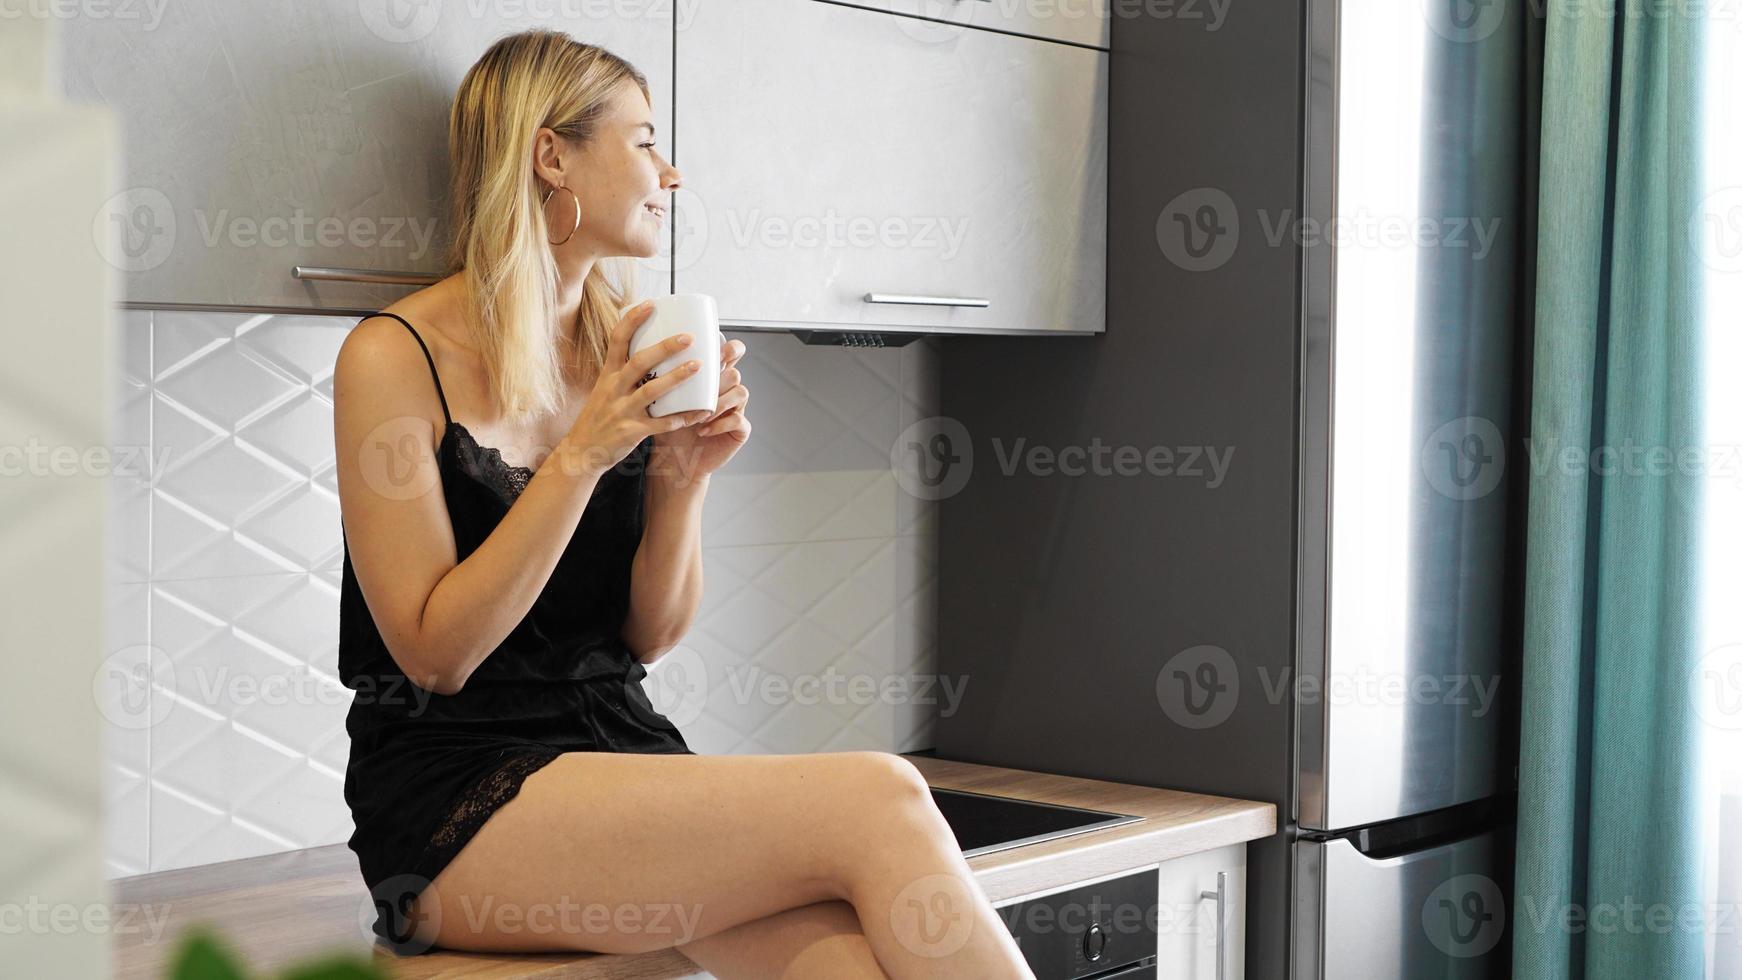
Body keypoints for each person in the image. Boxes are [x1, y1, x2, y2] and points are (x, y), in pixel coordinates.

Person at [332, 27, 1035, 980]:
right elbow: (435, 654)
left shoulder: (626, 345)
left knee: (848, 964)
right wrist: (583, 456)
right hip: (452, 800)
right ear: (551, 155)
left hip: (618, 753)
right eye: (646, 141)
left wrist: (680, 479)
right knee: (881, 796)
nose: (670, 173)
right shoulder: (392, 356)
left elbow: (649, 636)